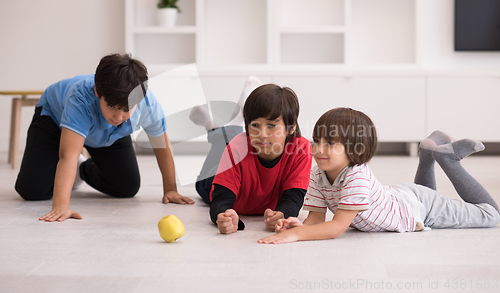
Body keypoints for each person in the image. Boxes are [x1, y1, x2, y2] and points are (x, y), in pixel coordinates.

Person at [258, 107, 500, 244]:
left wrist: (298, 235)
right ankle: (427, 153)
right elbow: (316, 221)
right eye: (317, 141)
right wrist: (296, 225)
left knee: (490, 215)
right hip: (404, 199)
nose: (319, 149)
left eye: (330, 143)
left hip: (419, 206)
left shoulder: (356, 178)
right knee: (426, 196)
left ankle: (448, 160)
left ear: (357, 151)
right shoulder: (318, 173)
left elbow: (336, 228)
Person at [15, 53, 194, 222]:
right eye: (111, 106)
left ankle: (82, 168)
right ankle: (68, 164)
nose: (117, 117)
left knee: (127, 187)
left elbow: (162, 146)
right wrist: (62, 206)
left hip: (108, 134)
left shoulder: (147, 104)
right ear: (97, 91)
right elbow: (68, 156)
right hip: (54, 121)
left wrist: (170, 189)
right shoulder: (80, 99)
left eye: (126, 110)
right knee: (33, 191)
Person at [191, 80, 312, 234]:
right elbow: (221, 199)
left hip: (241, 153)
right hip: (214, 179)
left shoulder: (301, 148)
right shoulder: (238, 146)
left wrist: (282, 214)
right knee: (206, 176)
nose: (262, 134)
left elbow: (294, 197)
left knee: (231, 139)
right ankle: (217, 125)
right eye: (255, 125)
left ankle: (221, 125)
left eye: (271, 125)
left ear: (291, 127)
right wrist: (224, 215)